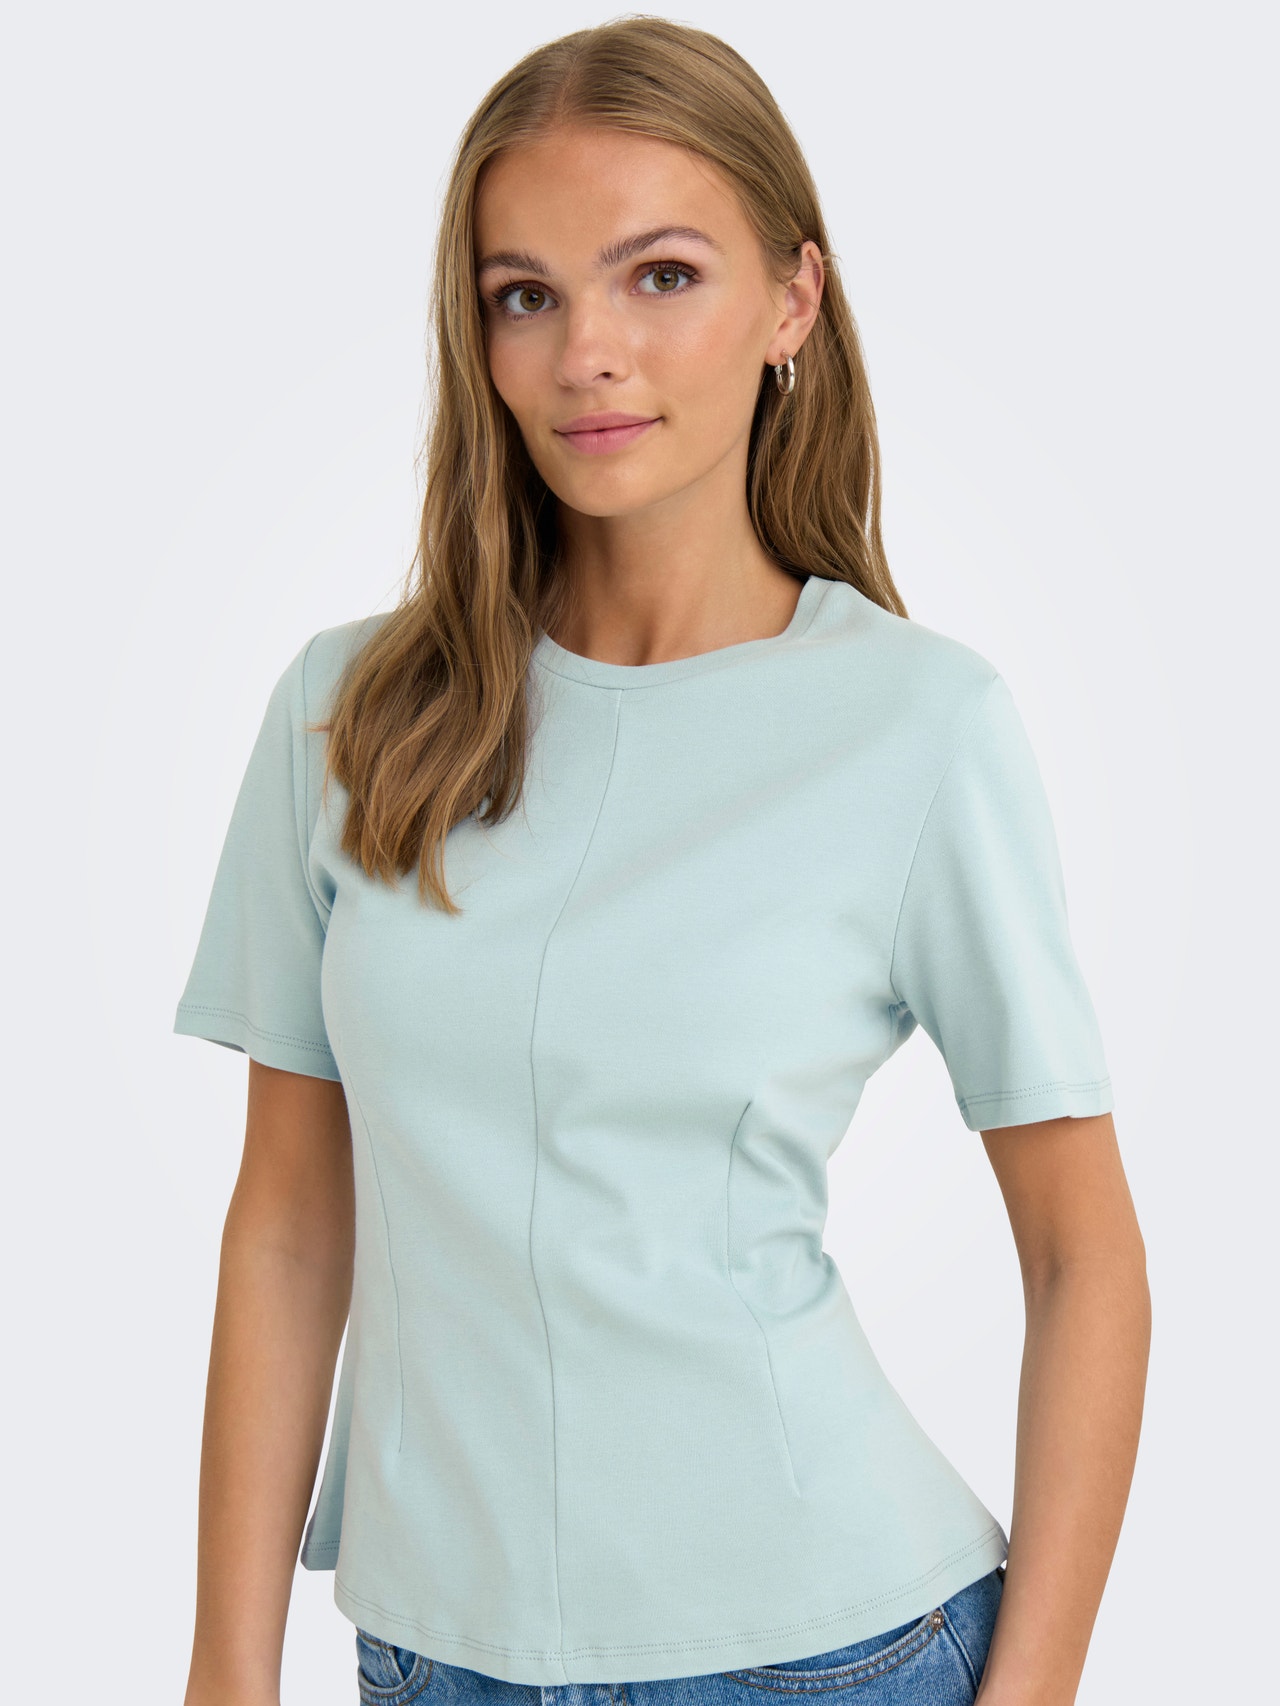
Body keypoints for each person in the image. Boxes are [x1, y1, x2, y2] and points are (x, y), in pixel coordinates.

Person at [173, 19, 1150, 1706]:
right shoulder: (351, 713)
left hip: (836, 1653)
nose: (589, 355)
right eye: (525, 294)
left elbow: (1086, 1259)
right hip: (432, 1656)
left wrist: (1040, 1688)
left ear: (793, 302)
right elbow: (287, 1223)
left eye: (663, 276)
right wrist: (223, 1669)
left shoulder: (917, 729)